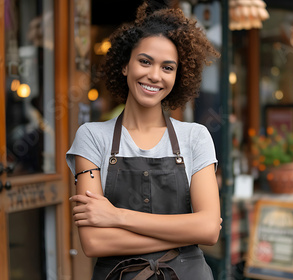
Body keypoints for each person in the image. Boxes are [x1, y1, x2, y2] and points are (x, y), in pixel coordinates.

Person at [65, 1, 221, 279]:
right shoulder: (91, 137)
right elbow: (94, 242)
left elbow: (208, 229)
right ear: (125, 65)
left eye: (168, 67)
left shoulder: (196, 137)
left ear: (178, 76)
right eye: (145, 61)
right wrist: (185, 232)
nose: (154, 75)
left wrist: (116, 217)